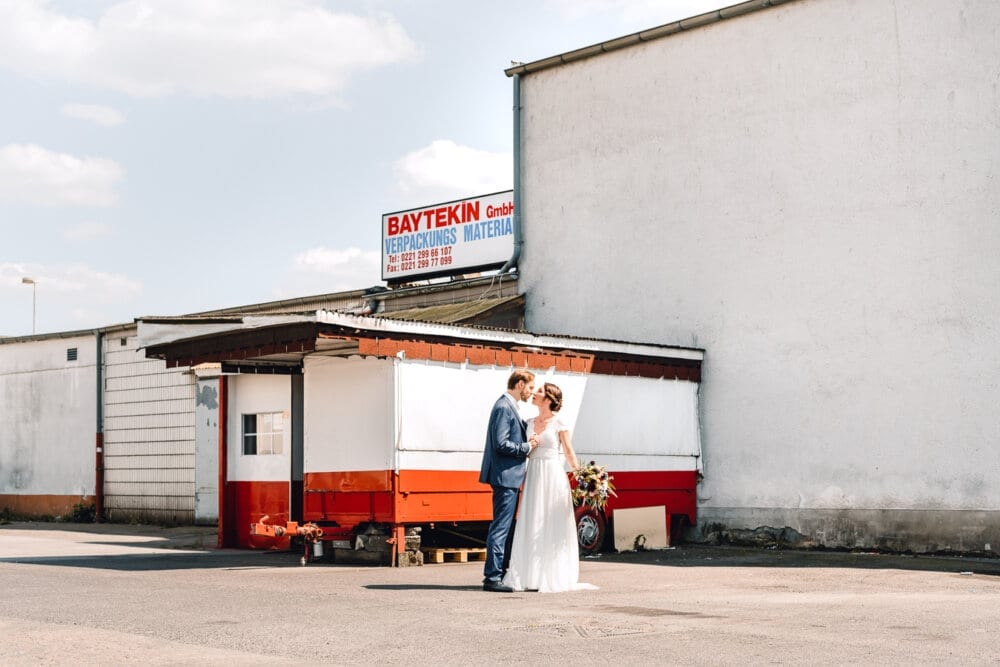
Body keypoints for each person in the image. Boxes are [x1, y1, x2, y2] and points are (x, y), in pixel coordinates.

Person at [502, 382, 598, 593]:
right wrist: (529, 447)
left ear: (548, 399)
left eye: (539, 392)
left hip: (553, 476)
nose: (534, 394)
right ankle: (531, 576)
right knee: (532, 521)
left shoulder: (559, 423)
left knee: (551, 523)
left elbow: (569, 452)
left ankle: (552, 574)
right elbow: (523, 451)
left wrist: (584, 476)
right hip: (534, 475)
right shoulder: (527, 423)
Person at [479, 369, 537, 593]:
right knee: (501, 528)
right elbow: (501, 443)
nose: (531, 393)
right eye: (530, 387)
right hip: (505, 477)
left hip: (508, 476)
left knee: (504, 527)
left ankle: (499, 573)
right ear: (520, 384)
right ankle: (492, 577)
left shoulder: (508, 406)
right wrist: (527, 447)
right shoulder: (504, 407)